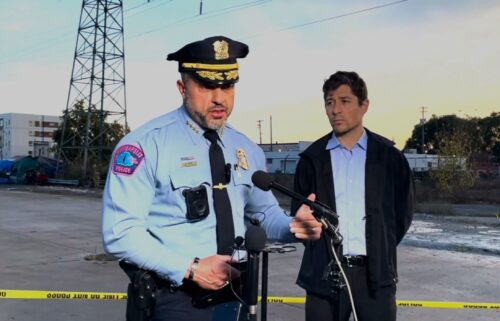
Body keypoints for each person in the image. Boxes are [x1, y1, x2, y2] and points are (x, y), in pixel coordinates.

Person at [101, 35, 322, 321]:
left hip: (238, 293)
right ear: (182, 88)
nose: (219, 97)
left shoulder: (245, 148)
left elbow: (263, 212)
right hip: (176, 299)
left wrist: (294, 226)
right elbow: (120, 233)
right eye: (207, 86)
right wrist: (190, 268)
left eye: (228, 85)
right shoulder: (144, 146)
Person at [291, 71, 415, 321]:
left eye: (344, 101)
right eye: (329, 102)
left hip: (375, 278)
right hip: (324, 277)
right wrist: (321, 252)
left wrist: (380, 247)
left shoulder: (389, 158)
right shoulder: (312, 160)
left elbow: (402, 215)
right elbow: (301, 216)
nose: (335, 109)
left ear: (364, 106)